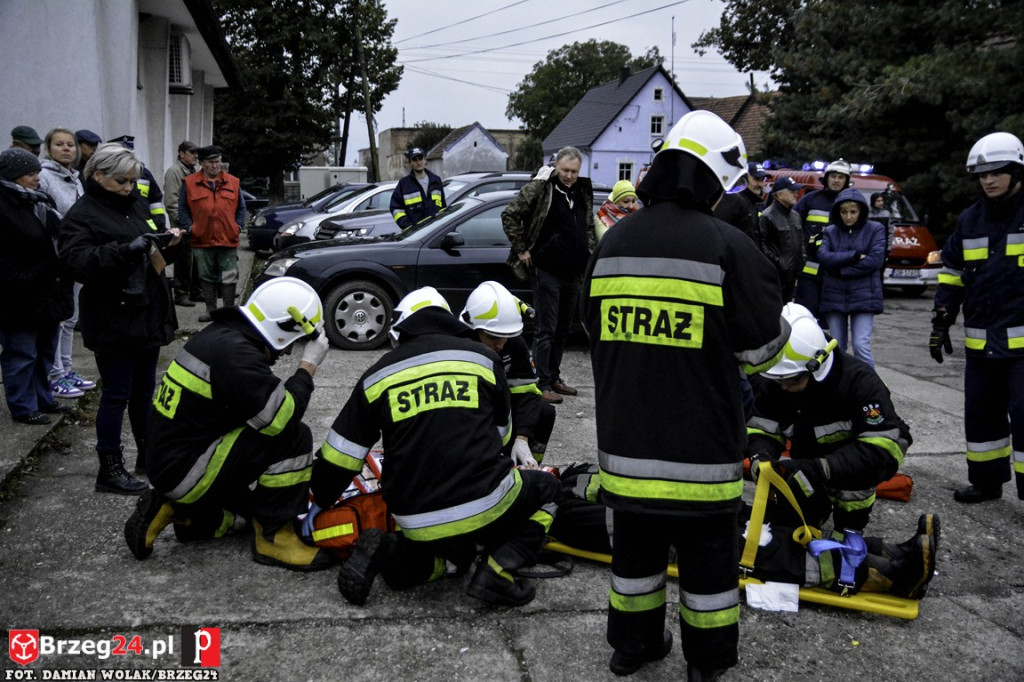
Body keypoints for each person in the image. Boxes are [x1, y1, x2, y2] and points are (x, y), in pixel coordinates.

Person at [584, 110, 787, 679]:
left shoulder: (614, 240)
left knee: (634, 561)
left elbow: (592, 331)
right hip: (701, 456)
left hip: (625, 448)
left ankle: (632, 646)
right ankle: (706, 664)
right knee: (708, 570)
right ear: (714, 179)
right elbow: (764, 355)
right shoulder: (730, 247)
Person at [307, 287, 560, 607]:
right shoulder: (482, 359)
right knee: (549, 487)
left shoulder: (377, 376)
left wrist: (314, 507)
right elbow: (501, 438)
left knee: (444, 562)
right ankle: (498, 572)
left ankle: (391, 551)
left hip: (413, 520)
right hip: (485, 505)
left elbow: (339, 458)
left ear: (402, 331)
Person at [123, 277, 335, 571]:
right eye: (293, 344)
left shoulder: (220, 337)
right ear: (282, 328)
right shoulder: (236, 356)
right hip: (188, 471)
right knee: (293, 436)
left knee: (247, 515)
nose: (288, 352)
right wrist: (307, 366)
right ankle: (274, 540)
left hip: (173, 464)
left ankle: (180, 513)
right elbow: (280, 418)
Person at [58, 143, 181, 495]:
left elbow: (150, 251)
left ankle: (148, 455)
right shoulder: (83, 214)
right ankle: (109, 469)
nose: (129, 187)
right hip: (112, 317)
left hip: (146, 312)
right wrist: (126, 250)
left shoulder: (135, 204)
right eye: (122, 181)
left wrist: (168, 244)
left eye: (133, 181)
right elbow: (76, 261)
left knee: (144, 393)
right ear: (97, 175)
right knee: (116, 394)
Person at [749, 303, 910, 532]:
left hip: (852, 475)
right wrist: (760, 456)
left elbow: (886, 449)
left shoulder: (861, 383)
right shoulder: (779, 377)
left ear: (818, 366)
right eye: (778, 380)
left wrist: (822, 468)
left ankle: (852, 535)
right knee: (788, 533)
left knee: (846, 542)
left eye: (791, 380)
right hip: (806, 468)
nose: (783, 387)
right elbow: (761, 427)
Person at [930, 131, 1024, 504]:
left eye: (998, 171)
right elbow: (951, 272)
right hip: (981, 344)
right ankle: (987, 482)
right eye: (982, 174)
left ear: (1016, 171)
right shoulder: (970, 220)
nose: (989, 180)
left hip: (1022, 348)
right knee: (982, 416)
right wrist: (941, 319)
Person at [502, 146, 596, 404]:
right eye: (565, 170)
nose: (569, 176)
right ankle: (541, 383)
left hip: (573, 272)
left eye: (574, 172)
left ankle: (554, 376)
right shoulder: (543, 188)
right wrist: (521, 250)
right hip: (546, 270)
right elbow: (510, 214)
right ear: (556, 167)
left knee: (564, 329)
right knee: (547, 329)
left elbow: (588, 226)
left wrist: (590, 255)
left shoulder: (581, 191)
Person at [0, 148, 74, 425]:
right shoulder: (5, 205)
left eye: (37, 172)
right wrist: (22, 278)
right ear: (12, 175)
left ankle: (44, 398)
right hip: (17, 295)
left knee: (44, 352)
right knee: (21, 353)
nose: (37, 178)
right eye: (31, 173)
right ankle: (22, 407)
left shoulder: (38, 201)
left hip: (47, 292)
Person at [460, 280, 555, 467]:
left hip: (502, 407)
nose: (501, 344)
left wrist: (522, 437)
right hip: (469, 414)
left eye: (506, 335)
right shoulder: (459, 346)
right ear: (474, 330)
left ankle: (528, 466)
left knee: (545, 412)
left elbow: (527, 392)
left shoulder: (514, 343)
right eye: (493, 337)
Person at [38, 127, 96, 399]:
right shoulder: (44, 176)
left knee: (71, 317)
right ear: (48, 148)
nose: (66, 149)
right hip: (56, 258)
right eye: (59, 144)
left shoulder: (75, 177)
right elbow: (48, 217)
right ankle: (54, 374)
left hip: (76, 256)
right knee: (59, 318)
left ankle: (68, 369)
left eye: (70, 145)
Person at [817, 189, 887, 368]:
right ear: (838, 212)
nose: (848, 216)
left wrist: (841, 270)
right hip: (834, 294)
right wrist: (855, 255)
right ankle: (837, 389)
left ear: (861, 211)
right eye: (844, 212)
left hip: (864, 295)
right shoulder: (831, 231)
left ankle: (872, 390)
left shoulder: (875, 229)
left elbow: (875, 261)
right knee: (836, 347)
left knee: (860, 345)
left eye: (853, 212)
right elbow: (824, 257)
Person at [178, 145, 246, 322]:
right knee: (206, 277)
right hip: (202, 239)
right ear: (202, 163)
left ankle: (229, 311)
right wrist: (190, 227)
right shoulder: (190, 182)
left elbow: (241, 208)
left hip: (228, 238)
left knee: (229, 276)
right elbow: (183, 208)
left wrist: (238, 226)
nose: (216, 166)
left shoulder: (233, 182)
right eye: (211, 162)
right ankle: (211, 311)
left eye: (218, 162)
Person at [795, 158, 853, 318]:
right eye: (833, 176)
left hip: (836, 273)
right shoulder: (810, 199)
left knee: (831, 318)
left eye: (841, 177)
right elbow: (793, 226)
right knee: (806, 314)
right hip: (809, 272)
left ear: (847, 181)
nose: (836, 180)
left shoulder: (851, 204)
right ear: (826, 178)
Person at [163, 140, 201, 307]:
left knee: (195, 260)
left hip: (194, 224)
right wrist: (185, 222)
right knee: (183, 260)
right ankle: (180, 294)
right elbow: (171, 201)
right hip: (183, 225)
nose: (195, 156)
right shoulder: (175, 172)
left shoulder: (192, 171)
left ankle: (195, 292)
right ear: (181, 153)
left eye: (196, 153)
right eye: (192, 152)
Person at [757, 176, 806, 301]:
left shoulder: (796, 216)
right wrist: (779, 263)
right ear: (780, 194)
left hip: (792, 276)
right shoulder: (767, 216)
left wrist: (802, 260)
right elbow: (762, 246)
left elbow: (801, 242)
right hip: (774, 277)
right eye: (792, 191)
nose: (796, 194)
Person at [107, 135, 166, 230]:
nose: (128, 188)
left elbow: (155, 200)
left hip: (146, 225)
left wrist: (159, 224)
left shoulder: (144, 173)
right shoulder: (108, 176)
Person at [713, 161, 770, 242]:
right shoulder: (733, 202)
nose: (761, 184)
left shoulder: (758, 204)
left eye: (763, 179)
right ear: (744, 179)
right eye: (757, 179)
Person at [389, 147, 445, 229]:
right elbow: (396, 209)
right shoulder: (404, 184)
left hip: (435, 232)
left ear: (425, 160)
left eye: (420, 159)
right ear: (409, 163)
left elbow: (443, 206)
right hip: (416, 235)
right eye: (414, 160)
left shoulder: (436, 180)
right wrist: (408, 227)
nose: (418, 162)